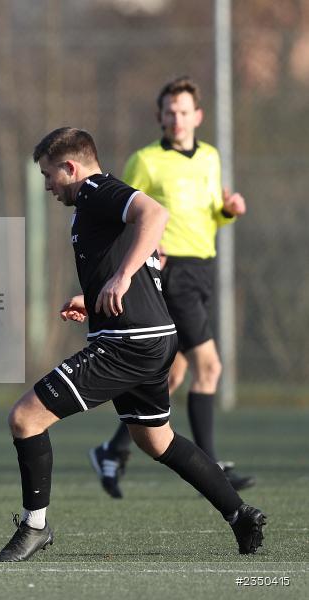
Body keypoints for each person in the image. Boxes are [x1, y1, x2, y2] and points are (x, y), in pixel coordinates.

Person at [0, 127, 265, 562]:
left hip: (128, 342)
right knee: (156, 440)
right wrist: (98, 292)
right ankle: (240, 514)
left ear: (70, 167)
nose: (46, 185)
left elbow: (155, 215)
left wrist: (119, 279)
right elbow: (150, 250)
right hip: (151, 337)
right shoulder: (95, 204)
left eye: (48, 175)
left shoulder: (98, 190)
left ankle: (34, 527)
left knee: (25, 419)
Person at [89, 76, 254, 499]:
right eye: (169, 112)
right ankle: (212, 463)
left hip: (202, 269)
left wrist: (228, 210)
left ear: (197, 116)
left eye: (184, 111)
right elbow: (126, 217)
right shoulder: (144, 161)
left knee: (174, 373)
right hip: (170, 270)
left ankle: (111, 450)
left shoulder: (211, 157)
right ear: (159, 117)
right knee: (210, 367)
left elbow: (212, 214)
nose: (177, 119)